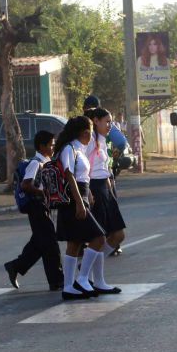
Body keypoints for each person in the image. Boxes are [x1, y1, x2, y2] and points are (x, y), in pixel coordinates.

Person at [54, 116, 109, 300]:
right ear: (85, 132)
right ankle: (83, 278)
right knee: (99, 237)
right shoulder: (69, 148)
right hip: (73, 199)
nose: (92, 135)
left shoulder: (79, 148)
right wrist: (79, 201)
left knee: (75, 243)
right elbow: (69, 175)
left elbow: (82, 175)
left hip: (82, 194)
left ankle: (68, 286)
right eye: (91, 131)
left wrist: (89, 195)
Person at [3, 130, 63, 291]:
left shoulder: (47, 161)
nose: (53, 147)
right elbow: (26, 184)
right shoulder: (36, 163)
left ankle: (15, 266)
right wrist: (42, 193)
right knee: (50, 243)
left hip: (42, 205)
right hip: (36, 206)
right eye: (51, 145)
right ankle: (57, 280)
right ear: (42, 146)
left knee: (39, 242)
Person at [85, 107, 126, 284]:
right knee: (98, 237)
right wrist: (87, 192)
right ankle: (87, 276)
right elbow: (82, 170)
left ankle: (92, 272)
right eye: (107, 122)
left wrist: (110, 190)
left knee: (118, 236)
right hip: (93, 188)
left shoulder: (103, 140)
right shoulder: (89, 142)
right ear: (95, 121)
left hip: (106, 188)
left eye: (111, 122)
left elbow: (106, 168)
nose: (110, 125)